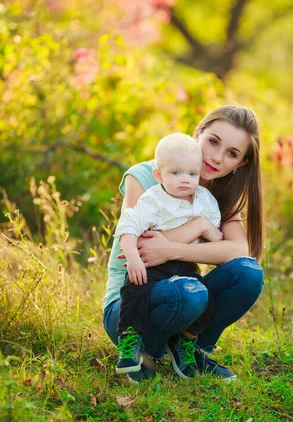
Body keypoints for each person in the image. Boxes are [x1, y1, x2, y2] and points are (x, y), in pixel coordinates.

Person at [103, 105, 264, 383]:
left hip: (182, 287)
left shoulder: (217, 194)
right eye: (213, 141)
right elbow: (141, 246)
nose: (216, 157)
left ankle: (189, 345)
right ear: (197, 133)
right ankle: (144, 348)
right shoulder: (145, 176)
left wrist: (174, 249)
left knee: (248, 273)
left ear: (241, 164)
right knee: (190, 293)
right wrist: (200, 227)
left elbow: (239, 251)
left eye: (232, 154)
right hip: (132, 302)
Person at [114, 133, 222, 377]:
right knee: (135, 286)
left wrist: (211, 231)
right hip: (152, 266)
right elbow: (128, 226)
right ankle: (129, 341)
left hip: (185, 264)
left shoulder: (204, 200)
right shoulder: (153, 199)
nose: (185, 180)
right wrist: (132, 258)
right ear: (158, 175)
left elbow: (215, 233)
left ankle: (184, 341)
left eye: (192, 174)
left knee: (206, 299)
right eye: (176, 173)